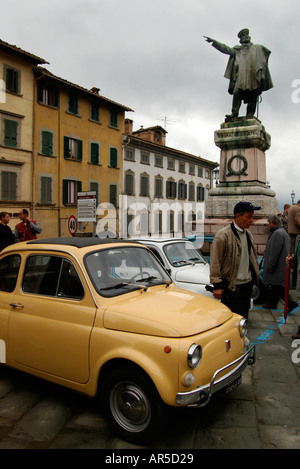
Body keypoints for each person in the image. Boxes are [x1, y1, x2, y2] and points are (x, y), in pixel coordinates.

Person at [204, 29, 273, 118]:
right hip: (241, 75)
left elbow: (265, 57)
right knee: (237, 92)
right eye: (243, 35)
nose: (245, 36)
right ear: (240, 39)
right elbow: (225, 49)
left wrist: (261, 72)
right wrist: (214, 42)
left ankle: (250, 114)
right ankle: (234, 113)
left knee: (254, 93)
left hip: (253, 75)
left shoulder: (257, 48)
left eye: (246, 34)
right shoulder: (237, 50)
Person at [210, 201, 261, 319]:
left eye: (252, 217)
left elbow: (252, 257)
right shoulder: (223, 235)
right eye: (248, 217)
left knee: (244, 317)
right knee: (233, 319)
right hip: (232, 286)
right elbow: (215, 261)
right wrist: (217, 285)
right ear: (238, 216)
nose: (251, 221)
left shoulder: (248, 234)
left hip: (247, 284)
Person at [263, 215, 298, 311]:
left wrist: (271, 265)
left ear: (274, 223)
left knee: (278, 287)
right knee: (275, 286)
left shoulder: (277, 233)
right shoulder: (282, 232)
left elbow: (274, 251)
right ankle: (272, 303)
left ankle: (290, 303)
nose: (269, 225)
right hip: (281, 264)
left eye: (270, 223)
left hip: (277, 266)